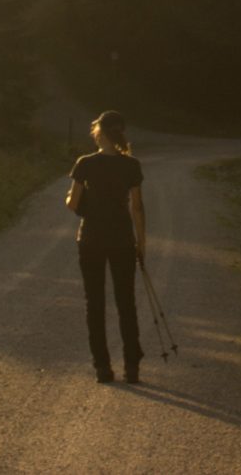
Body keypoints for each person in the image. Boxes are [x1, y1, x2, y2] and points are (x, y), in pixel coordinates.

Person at [65, 109, 146, 383]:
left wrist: (75, 198)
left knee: (95, 303)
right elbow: (137, 208)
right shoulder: (131, 165)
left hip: (91, 241)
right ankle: (132, 366)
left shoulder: (85, 164)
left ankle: (102, 366)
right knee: (126, 303)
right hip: (123, 241)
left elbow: (73, 204)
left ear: (98, 132)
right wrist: (141, 245)